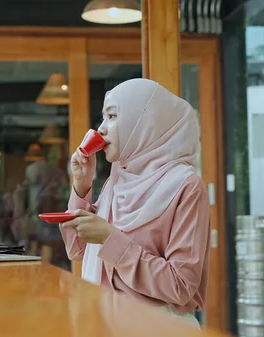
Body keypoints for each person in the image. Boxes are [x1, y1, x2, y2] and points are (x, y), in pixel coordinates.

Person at [60, 78, 210, 328]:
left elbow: (181, 286)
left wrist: (111, 240)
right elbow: (77, 251)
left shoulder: (186, 186)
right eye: (103, 118)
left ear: (145, 123)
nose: (101, 129)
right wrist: (81, 186)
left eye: (112, 116)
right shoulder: (118, 180)